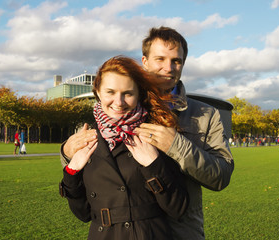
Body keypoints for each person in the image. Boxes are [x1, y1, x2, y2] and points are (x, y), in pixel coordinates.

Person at [61, 27, 234, 239]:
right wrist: (66, 152)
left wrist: (176, 146)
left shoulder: (206, 114)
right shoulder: (121, 108)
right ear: (144, 61)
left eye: (176, 61)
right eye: (160, 59)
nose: (168, 67)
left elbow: (221, 177)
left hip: (181, 231)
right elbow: (92, 170)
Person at [59, 56, 189, 240]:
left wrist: (154, 164)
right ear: (98, 91)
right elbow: (83, 214)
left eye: (127, 93)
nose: (118, 102)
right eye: (110, 92)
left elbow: (178, 208)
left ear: (139, 94)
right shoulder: (87, 139)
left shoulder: (155, 134)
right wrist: (71, 172)